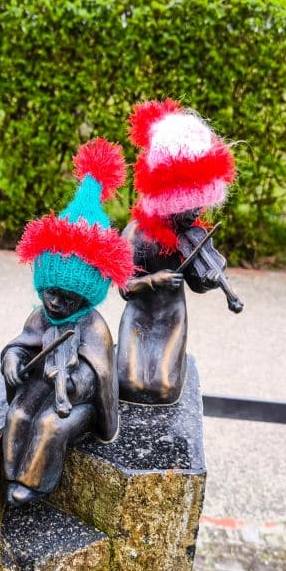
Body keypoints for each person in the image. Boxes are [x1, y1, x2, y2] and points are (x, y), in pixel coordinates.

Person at [1, 139, 133, 506]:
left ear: (86, 297)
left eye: (67, 299)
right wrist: (12, 360)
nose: (56, 304)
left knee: (50, 425)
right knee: (19, 413)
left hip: (76, 401)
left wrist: (71, 384)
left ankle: (35, 483)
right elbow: (22, 343)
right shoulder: (41, 316)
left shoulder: (93, 327)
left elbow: (97, 374)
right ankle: (10, 471)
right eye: (50, 294)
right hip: (41, 385)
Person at [117, 99, 238, 405]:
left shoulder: (194, 235)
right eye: (189, 206)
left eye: (199, 206)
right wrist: (154, 280)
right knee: (128, 383)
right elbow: (124, 287)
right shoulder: (137, 233)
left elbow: (197, 283)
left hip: (172, 316)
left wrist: (210, 280)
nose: (195, 213)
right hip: (139, 315)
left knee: (163, 387)